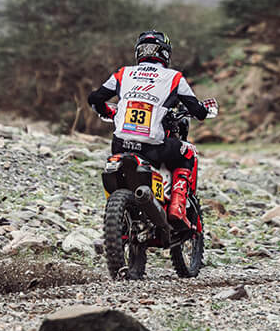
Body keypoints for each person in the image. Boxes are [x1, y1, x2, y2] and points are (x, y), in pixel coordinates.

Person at [88, 29, 217, 229]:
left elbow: (95, 99)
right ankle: (176, 208)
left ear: (139, 52)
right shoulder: (174, 78)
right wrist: (203, 111)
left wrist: (109, 112)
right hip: (152, 147)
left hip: (120, 144)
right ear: (165, 53)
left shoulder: (123, 73)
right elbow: (197, 110)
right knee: (187, 153)